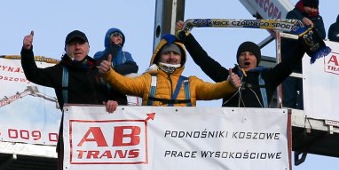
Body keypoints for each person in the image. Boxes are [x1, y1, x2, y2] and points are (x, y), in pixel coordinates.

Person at [175, 21, 307, 108]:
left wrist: (305, 38)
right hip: (230, 134)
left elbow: (290, 63)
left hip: (257, 134)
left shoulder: (268, 77)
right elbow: (204, 61)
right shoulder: (228, 77)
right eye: (243, 54)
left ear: (257, 59)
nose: (247, 57)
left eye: (251, 54)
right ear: (238, 59)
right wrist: (187, 38)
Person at [97, 34, 240, 106]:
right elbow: (125, 84)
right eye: (167, 53)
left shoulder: (191, 83)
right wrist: (109, 73)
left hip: (182, 147)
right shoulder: (148, 79)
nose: (172, 57)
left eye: (176, 54)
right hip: (155, 146)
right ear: (159, 56)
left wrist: (229, 85)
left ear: (182, 58)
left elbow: (214, 90)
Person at [20, 30, 126, 111]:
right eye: (72, 44)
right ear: (65, 49)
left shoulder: (101, 70)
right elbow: (33, 74)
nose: (77, 47)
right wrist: (27, 50)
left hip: (103, 134)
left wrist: (115, 102)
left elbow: (121, 98)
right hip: (72, 135)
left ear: (88, 47)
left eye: (81, 43)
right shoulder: (60, 72)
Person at [283, 0, 327, 109]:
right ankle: (289, 114)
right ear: (304, 5)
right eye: (310, 7)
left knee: (306, 94)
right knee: (289, 93)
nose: (312, 10)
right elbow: (286, 29)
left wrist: (313, 29)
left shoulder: (318, 19)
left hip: (307, 62)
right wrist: (300, 23)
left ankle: (305, 112)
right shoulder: (293, 14)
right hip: (290, 60)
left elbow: (322, 35)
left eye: (314, 8)